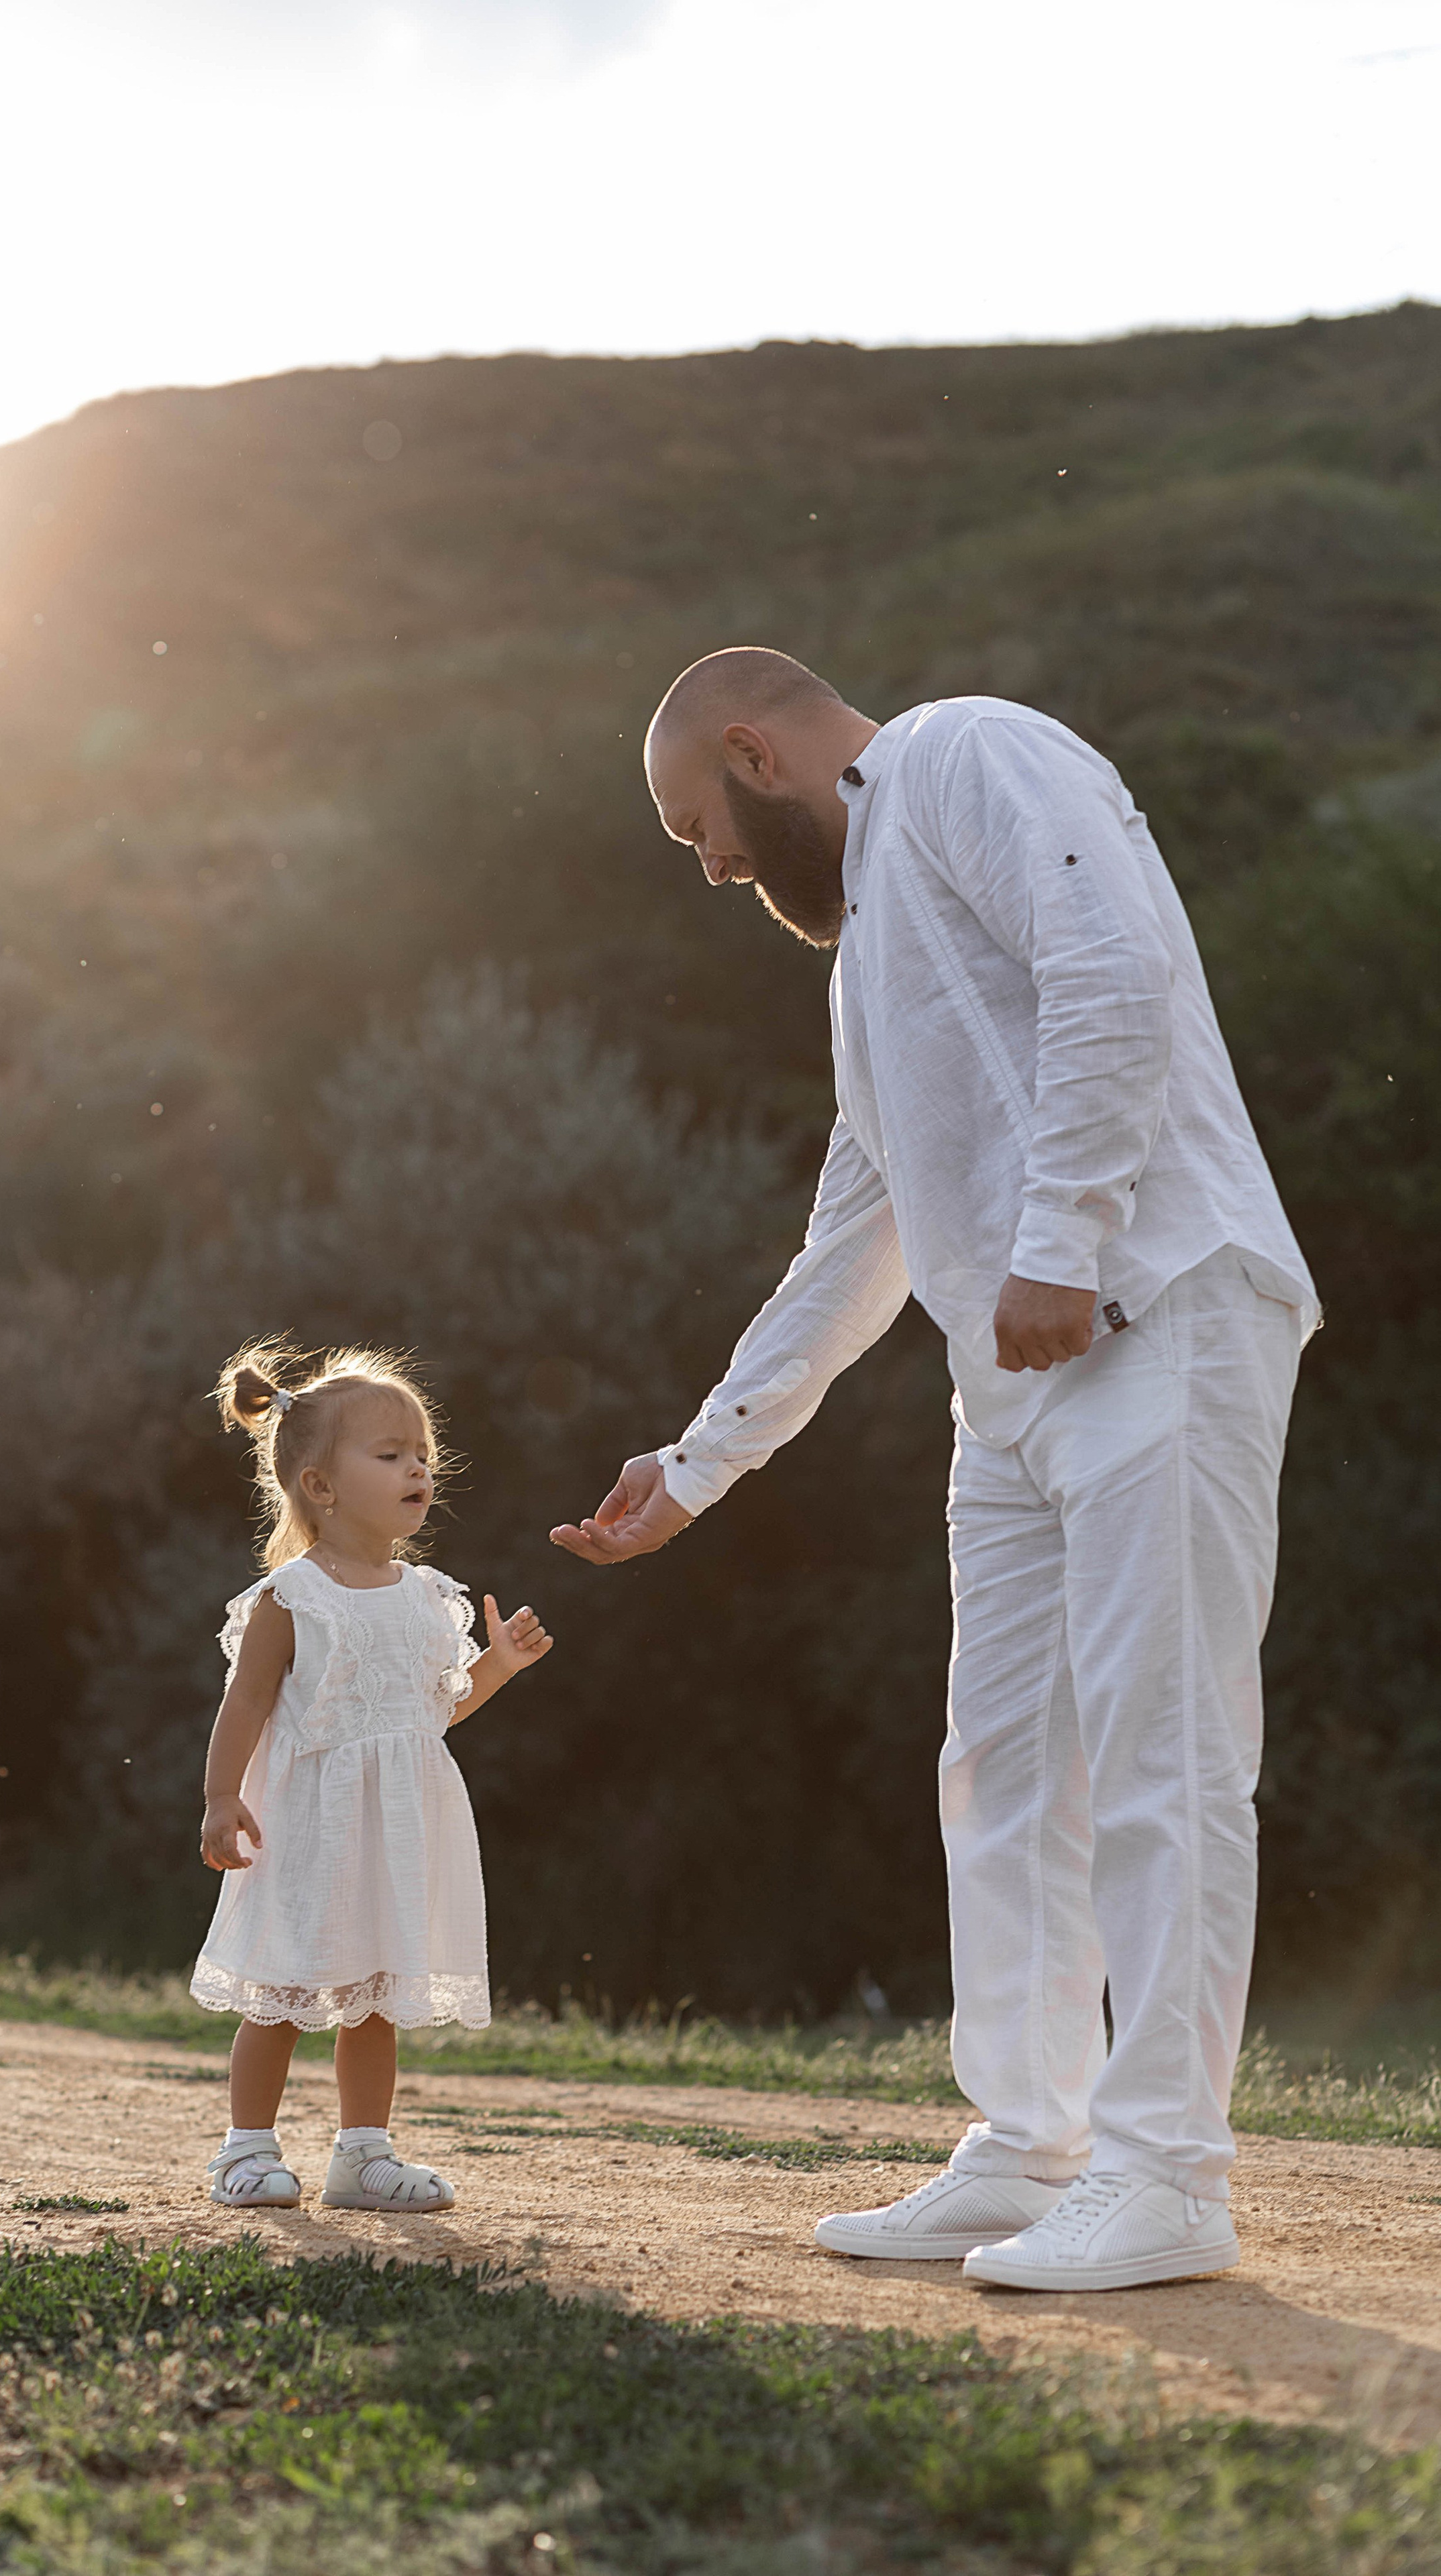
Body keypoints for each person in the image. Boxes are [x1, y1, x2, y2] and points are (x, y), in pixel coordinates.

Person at [552, 649, 1317, 2294]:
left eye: (697, 827)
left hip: (1156, 1305)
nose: (709, 870)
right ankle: (1025, 2149)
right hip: (1017, 1379)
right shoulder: (862, 966)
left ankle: (1165, 2173)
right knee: (1000, 1770)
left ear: (753, 751)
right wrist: (697, 1466)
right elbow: (860, 1227)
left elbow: (1111, 962)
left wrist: (1059, 1236)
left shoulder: (968, 753)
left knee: (1158, 1755)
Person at [193, 1342, 553, 2210]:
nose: (418, 1467)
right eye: (390, 1455)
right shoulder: (294, 1598)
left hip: (392, 1829)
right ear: (320, 1484)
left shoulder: (427, 1597)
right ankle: (245, 2151)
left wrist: (494, 1667)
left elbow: (428, 1716)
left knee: (375, 1996)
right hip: (307, 1827)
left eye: (422, 1453)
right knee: (279, 1992)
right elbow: (243, 1707)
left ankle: (363, 2155)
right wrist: (219, 1798)